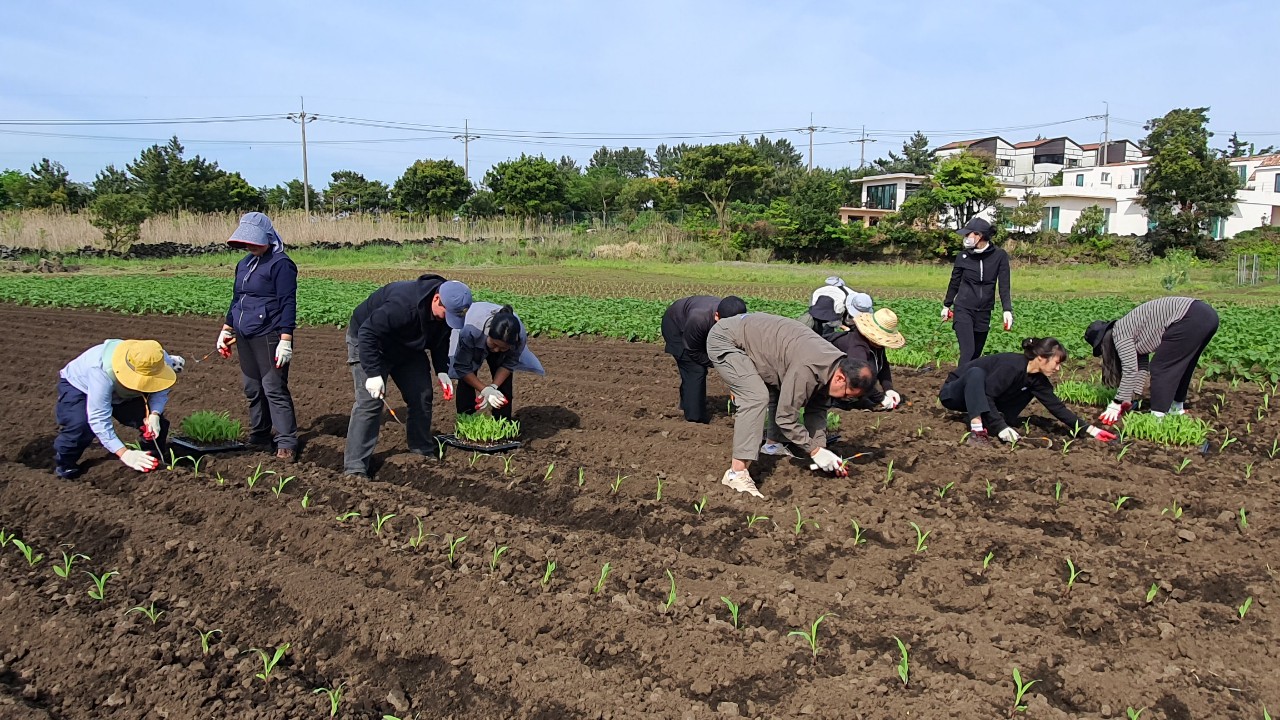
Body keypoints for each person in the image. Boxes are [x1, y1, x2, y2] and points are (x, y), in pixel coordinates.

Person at [707, 313, 877, 498]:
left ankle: (772, 445)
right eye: (846, 394)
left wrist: (821, 451)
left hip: (761, 346)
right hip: (728, 340)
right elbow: (785, 418)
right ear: (840, 378)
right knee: (755, 397)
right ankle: (736, 473)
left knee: (781, 389)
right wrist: (814, 450)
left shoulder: (832, 367)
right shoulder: (809, 368)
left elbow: (817, 409)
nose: (844, 399)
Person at [343, 275, 472, 479]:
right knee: (370, 402)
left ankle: (420, 449)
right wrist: (373, 374)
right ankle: (355, 468)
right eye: (445, 314)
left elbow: (441, 339)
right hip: (370, 342)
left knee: (422, 395)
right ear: (437, 299)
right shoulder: (402, 305)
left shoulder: (447, 309)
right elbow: (368, 332)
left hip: (407, 345)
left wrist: (442, 370)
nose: (446, 320)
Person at [214, 212, 299, 462]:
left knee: (273, 387)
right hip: (244, 334)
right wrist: (227, 329)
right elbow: (236, 299)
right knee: (252, 388)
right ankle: (260, 436)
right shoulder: (244, 264)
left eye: (254, 241)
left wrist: (286, 339)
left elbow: (288, 302)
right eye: (247, 241)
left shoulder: (281, 264)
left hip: (269, 334)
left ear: (267, 237)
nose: (250, 245)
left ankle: (286, 442)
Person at [938, 337, 1117, 447]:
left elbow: (1057, 407)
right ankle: (977, 430)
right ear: (1040, 358)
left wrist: (1091, 430)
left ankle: (996, 420)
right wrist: (1000, 428)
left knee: (1028, 390)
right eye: (1056, 362)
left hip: (978, 398)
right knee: (976, 373)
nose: (1058, 368)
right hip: (955, 393)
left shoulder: (1037, 380)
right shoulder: (1011, 367)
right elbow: (986, 394)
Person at [54, 339, 185, 478]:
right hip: (81, 387)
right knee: (80, 427)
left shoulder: (158, 360)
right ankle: (66, 467)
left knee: (154, 426)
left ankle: (151, 460)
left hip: (125, 391)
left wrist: (154, 414)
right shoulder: (99, 371)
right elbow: (98, 418)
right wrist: (124, 453)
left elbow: (161, 388)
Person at [1085, 297, 1220, 424]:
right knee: (1182, 366)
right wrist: (1131, 397)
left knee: (1161, 367)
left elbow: (1130, 369)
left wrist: (1116, 404)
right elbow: (1141, 367)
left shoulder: (1119, 334)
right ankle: (1176, 408)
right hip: (1206, 315)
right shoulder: (1131, 329)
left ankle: (1157, 418)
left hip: (1189, 316)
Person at [661, 295, 748, 423]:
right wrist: (717, 363)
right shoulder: (699, 318)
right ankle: (695, 418)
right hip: (676, 327)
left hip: (698, 327)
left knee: (695, 370)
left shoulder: (740, 318)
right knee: (695, 370)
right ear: (717, 316)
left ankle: (687, 403)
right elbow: (692, 350)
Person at [450, 302, 545, 419]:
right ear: (488, 333)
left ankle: (502, 424)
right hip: (475, 338)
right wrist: (484, 390)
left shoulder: (519, 337)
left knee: (504, 385)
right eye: (494, 344)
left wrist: (493, 387)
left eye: (503, 348)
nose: (496, 350)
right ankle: (466, 420)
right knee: (466, 380)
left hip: (497, 341)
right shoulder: (471, 330)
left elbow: (508, 364)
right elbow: (462, 367)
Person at [942, 217, 1013, 367]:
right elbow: (954, 282)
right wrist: (946, 305)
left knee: (975, 355)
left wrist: (1007, 310)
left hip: (984, 311)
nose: (966, 238)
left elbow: (1004, 285)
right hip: (963, 309)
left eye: (968, 235)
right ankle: (956, 385)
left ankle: (968, 385)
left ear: (979, 235)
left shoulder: (999, 256)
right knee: (967, 351)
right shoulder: (963, 257)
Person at [827, 307, 906, 411]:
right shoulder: (857, 347)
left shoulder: (877, 346)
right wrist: (880, 398)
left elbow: (883, 366)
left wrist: (888, 389)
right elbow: (859, 379)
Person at [799, 277, 873, 337]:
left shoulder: (851, 298)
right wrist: (842, 326)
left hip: (841, 307)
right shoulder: (818, 294)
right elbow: (831, 320)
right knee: (824, 332)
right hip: (832, 309)